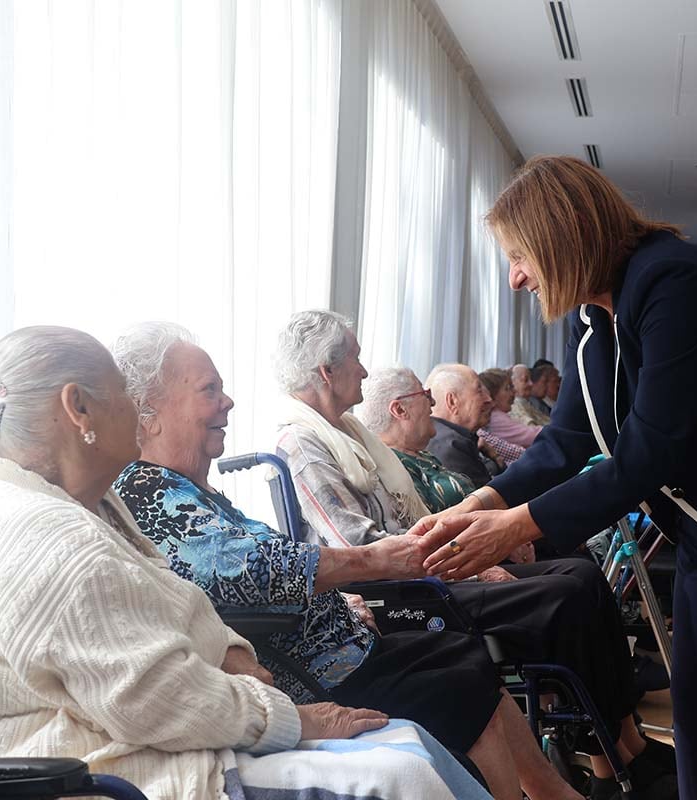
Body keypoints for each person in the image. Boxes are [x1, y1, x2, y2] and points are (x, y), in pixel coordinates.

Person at [414, 155, 697, 800]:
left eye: (520, 256)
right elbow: (568, 439)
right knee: (696, 696)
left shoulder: (675, 281)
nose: (515, 279)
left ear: (562, 236)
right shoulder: (593, 318)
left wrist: (514, 525)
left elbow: (649, 452)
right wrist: (474, 506)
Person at [0, 326, 486, 800]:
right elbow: (156, 699)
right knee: (402, 769)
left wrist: (231, 653)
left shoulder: (59, 504)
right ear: (79, 410)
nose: (136, 408)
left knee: (407, 741)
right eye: (124, 394)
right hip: (93, 770)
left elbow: (172, 596)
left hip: (114, 736)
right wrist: (288, 716)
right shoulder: (52, 543)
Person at [109, 323, 537, 799]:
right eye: (210, 391)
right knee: (457, 673)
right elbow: (249, 570)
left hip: (340, 650)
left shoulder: (187, 488)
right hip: (311, 678)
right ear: (148, 413)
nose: (227, 402)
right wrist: (375, 560)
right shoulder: (150, 492)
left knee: (460, 654)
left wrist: (344, 591)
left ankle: (541, 790)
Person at [272, 310, 677, 800]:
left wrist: (474, 546)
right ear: (325, 372)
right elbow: (358, 544)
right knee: (565, 594)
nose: (363, 369)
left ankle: (623, 743)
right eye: (356, 359)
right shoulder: (303, 442)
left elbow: (413, 520)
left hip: (429, 567)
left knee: (581, 575)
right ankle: (609, 762)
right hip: (399, 590)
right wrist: (471, 555)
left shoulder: (350, 432)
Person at [359, 366, 478, 513]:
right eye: (425, 394)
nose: (433, 402)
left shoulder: (422, 455)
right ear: (400, 410)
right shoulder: (388, 469)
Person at [428, 364, 508, 486]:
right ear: (452, 401)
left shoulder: (450, 435)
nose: (489, 400)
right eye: (479, 391)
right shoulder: (452, 446)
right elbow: (487, 500)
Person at [479, 367, 542, 452]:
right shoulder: (496, 418)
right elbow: (530, 436)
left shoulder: (497, 415)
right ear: (492, 396)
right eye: (507, 388)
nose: (513, 392)